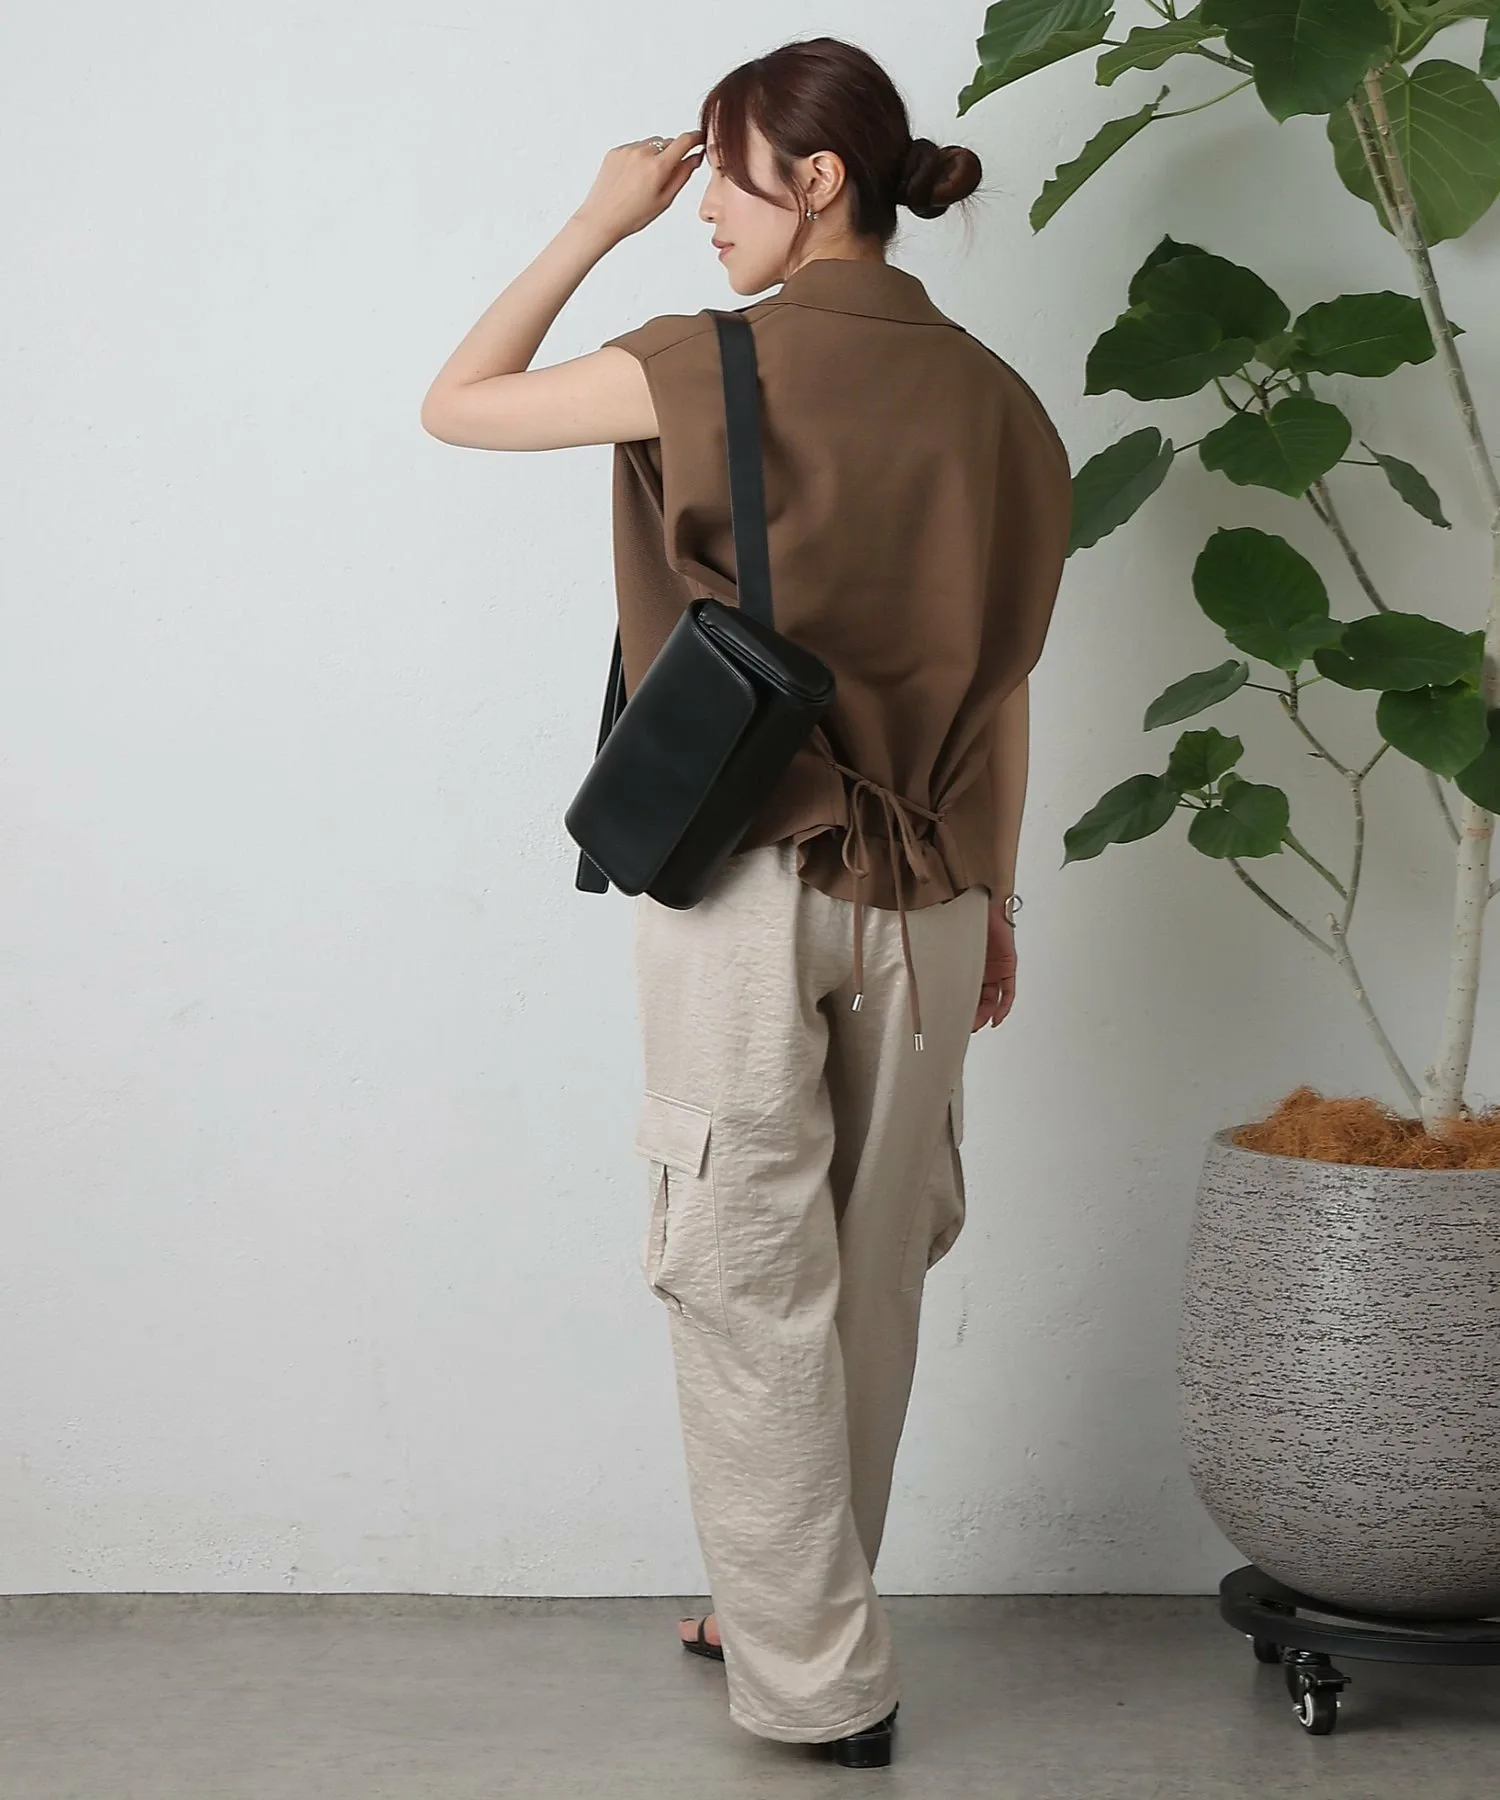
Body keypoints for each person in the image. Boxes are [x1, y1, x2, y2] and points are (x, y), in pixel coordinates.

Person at [421, 34, 1072, 1770]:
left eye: (724, 169)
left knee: (741, 1268)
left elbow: (458, 400)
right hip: (935, 888)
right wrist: (995, 896)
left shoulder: (705, 365)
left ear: (819, 178)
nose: (702, 203)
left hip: (747, 875)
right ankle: (792, 1607)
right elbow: (1004, 685)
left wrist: (595, 220)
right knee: (870, 1267)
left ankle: (819, 1679)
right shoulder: (1003, 402)